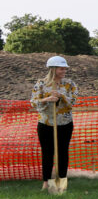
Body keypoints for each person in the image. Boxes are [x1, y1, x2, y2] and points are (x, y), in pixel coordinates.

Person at [30, 56, 78, 190]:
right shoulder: (41, 84)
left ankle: (62, 180)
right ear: (53, 69)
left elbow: (73, 102)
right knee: (47, 153)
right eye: (61, 68)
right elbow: (33, 102)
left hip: (65, 124)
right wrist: (47, 99)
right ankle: (46, 181)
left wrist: (62, 96)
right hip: (46, 124)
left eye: (65, 68)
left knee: (63, 152)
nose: (64, 70)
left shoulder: (70, 84)